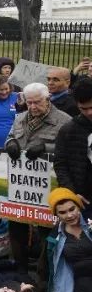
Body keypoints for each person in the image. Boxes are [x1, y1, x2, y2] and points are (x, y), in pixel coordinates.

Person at [47, 187, 92, 292]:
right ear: (56, 214)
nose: (70, 215)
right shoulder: (55, 236)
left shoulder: (90, 221)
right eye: (62, 212)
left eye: (72, 209)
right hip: (81, 278)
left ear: (78, 206)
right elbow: (52, 268)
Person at [53, 78, 92, 213]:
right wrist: (72, 193)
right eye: (83, 108)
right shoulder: (68, 130)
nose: (89, 112)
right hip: (81, 198)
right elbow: (60, 164)